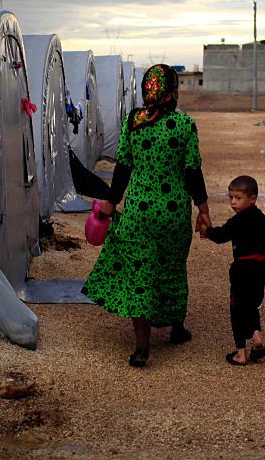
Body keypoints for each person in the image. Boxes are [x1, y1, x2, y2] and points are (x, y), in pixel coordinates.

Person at [82, 64, 211, 367]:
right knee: (173, 268)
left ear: (146, 90)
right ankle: (177, 329)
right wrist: (203, 207)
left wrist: (111, 204)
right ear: (173, 91)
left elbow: (123, 167)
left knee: (141, 273)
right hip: (174, 212)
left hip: (139, 212)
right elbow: (193, 172)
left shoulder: (134, 122)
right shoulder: (184, 125)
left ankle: (142, 349)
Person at [197, 175, 265, 366]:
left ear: (252, 198)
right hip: (260, 270)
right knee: (252, 304)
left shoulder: (238, 221)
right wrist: (264, 263)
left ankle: (241, 353)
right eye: (231, 197)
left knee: (237, 309)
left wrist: (206, 230)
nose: (233, 202)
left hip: (242, 271)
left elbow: (221, 235)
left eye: (238, 198)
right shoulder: (262, 220)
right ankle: (257, 337)